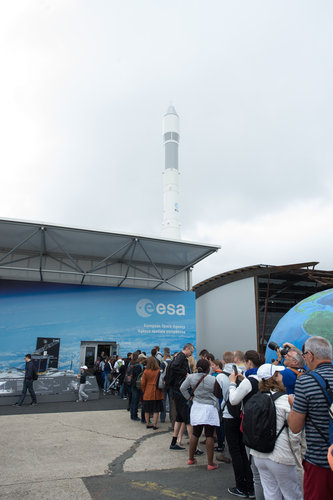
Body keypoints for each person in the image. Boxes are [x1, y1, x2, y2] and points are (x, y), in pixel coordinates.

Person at [288, 336, 333, 500]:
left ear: (311, 355)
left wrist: (293, 405)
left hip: (320, 461)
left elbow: (295, 427)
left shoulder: (306, 381)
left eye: (305, 356)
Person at [249, 363, 302, 500]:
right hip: (280, 456)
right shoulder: (285, 400)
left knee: (271, 494)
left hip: (258, 454)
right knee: (293, 495)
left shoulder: (257, 398)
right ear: (275, 377)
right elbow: (295, 432)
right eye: (279, 374)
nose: (283, 376)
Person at [216, 351, 254, 498]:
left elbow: (217, 394)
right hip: (241, 414)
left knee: (235, 451)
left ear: (224, 361)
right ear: (235, 360)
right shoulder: (243, 372)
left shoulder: (220, 376)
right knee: (244, 451)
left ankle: (241, 486)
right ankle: (250, 484)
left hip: (228, 415)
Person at [228, 350, 265, 500]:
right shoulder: (265, 378)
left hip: (250, 423)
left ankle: (255, 494)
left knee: (255, 469)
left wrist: (232, 383)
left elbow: (233, 400)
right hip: (266, 422)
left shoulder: (248, 381)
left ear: (249, 363)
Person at [180, 358, 222, 470]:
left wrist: (190, 397)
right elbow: (218, 393)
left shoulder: (191, 378)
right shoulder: (212, 379)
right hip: (209, 408)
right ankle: (210, 463)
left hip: (197, 405)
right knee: (209, 435)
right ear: (208, 368)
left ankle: (190, 458)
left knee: (195, 433)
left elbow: (182, 388)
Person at [169, 343, 194, 450]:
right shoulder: (181, 357)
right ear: (187, 349)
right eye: (191, 352)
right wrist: (186, 374)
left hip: (176, 389)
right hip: (180, 390)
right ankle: (194, 447)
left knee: (179, 417)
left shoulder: (178, 356)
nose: (191, 354)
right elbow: (175, 367)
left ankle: (174, 442)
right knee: (187, 418)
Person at [141, 356, 164, 429]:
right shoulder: (158, 371)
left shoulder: (146, 371)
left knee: (147, 410)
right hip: (156, 392)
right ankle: (155, 424)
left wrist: (144, 391)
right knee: (156, 410)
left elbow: (143, 383)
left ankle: (148, 423)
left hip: (148, 391)